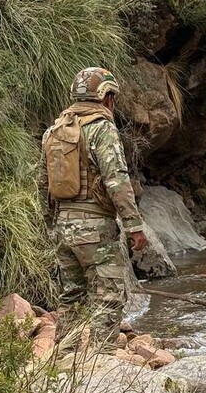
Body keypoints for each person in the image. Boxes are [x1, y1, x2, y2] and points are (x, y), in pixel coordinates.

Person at [39, 67, 147, 353]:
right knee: (108, 296)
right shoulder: (102, 129)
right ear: (106, 97)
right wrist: (134, 226)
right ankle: (101, 358)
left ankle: (66, 356)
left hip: (63, 226)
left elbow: (43, 184)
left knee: (71, 295)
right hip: (96, 228)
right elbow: (117, 180)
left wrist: (51, 225)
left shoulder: (53, 131)